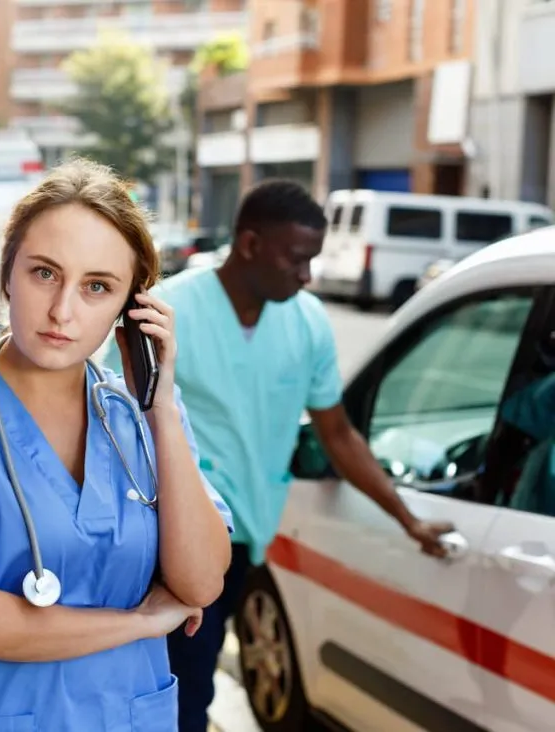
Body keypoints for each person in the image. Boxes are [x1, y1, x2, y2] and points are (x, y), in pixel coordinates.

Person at [0, 158, 235, 731]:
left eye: (97, 287)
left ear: (130, 309)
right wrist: (142, 621)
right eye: (45, 273)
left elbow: (200, 583)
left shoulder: (142, 414)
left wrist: (162, 409)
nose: (64, 310)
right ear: (7, 273)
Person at [103, 179, 455, 732]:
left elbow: (337, 435)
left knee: (196, 684)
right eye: (297, 259)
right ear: (249, 244)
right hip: (171, 542)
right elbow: (108, 419)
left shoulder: (308, 321)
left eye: (312, 261)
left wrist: (408, 520)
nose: (307, 275)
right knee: (179, 694)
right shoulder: (168, 310)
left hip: (249, 539)